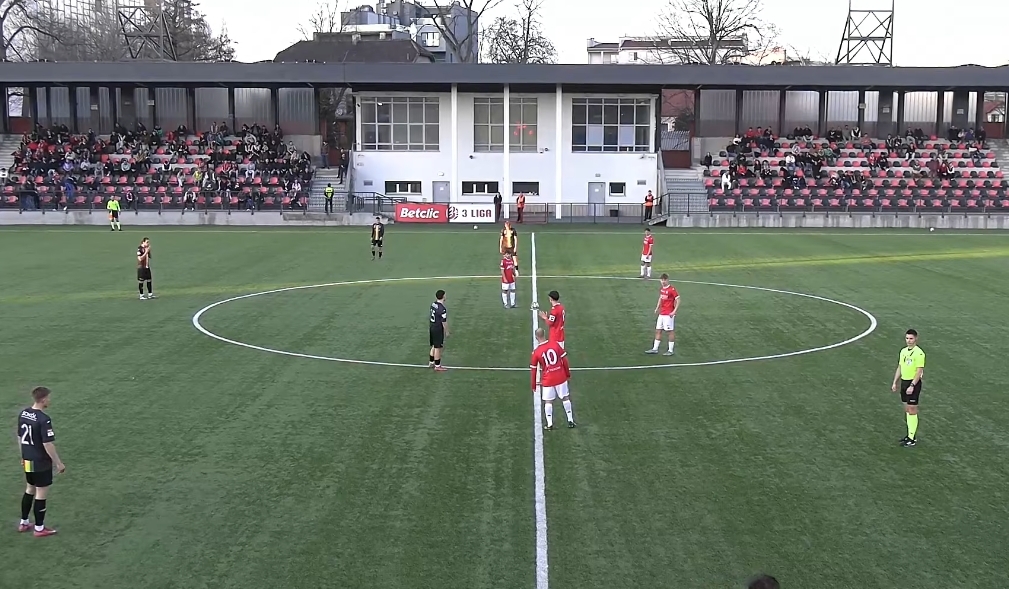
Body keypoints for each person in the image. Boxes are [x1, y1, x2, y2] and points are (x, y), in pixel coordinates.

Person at [17, 386, 65, 537]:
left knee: (30, 488)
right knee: (41, 492)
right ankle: (39, 528)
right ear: (43, 399)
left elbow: (20, 437)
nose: (49, 400)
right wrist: (58, 462)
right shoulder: (44, 419)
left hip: (28, 460)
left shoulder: (23, 413)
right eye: (48, 398)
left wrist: (23, 455)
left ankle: (24, 522)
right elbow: (47, 444)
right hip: (40, 462)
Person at [530, 328, 575, 429]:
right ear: (544, 334)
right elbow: (565, 360)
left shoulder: (536, 352)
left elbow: (533, 370)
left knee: (548, 401)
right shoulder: (555, 344)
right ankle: (570, 420)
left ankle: (550, 424)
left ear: (536, 338)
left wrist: (533, 385)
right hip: (560, 376)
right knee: (565, 398)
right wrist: (567, 374)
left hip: (548, 379)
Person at [892, 328, 925, 447]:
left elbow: (919, 371)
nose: (909, 341)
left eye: (911, 338)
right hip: (904, 382)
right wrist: (895, 382)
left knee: (912, 410)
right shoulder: (903, 351)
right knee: (907, 409)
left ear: (916, 339)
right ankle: (909, 435)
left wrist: (912, 385)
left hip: (913, 384)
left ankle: (912, 438)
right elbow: (900, 367)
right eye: (907, 338)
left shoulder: (919, 353)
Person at [646, 273, 679, 355]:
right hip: (662, 313)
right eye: (662, 280)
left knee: (669, 331)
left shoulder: (672, 289)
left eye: (664, 280)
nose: (663, 282)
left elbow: (678, 300)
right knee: (658, 330)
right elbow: (660, 298)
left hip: (668, 314)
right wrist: (657, 308)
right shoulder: (662, 289)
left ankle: (670, 350)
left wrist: (674, 311)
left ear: (667, 280)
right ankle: (655, 349)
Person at [428, 289, 449, 372]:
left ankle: (431, 362)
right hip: (437, 329)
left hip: (432, 327)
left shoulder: (433, 304)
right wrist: (447, 331)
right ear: (443, 296)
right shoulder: (442, 309)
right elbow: (444, 321)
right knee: (438, 347)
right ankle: (437, 365)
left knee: (434, 345)